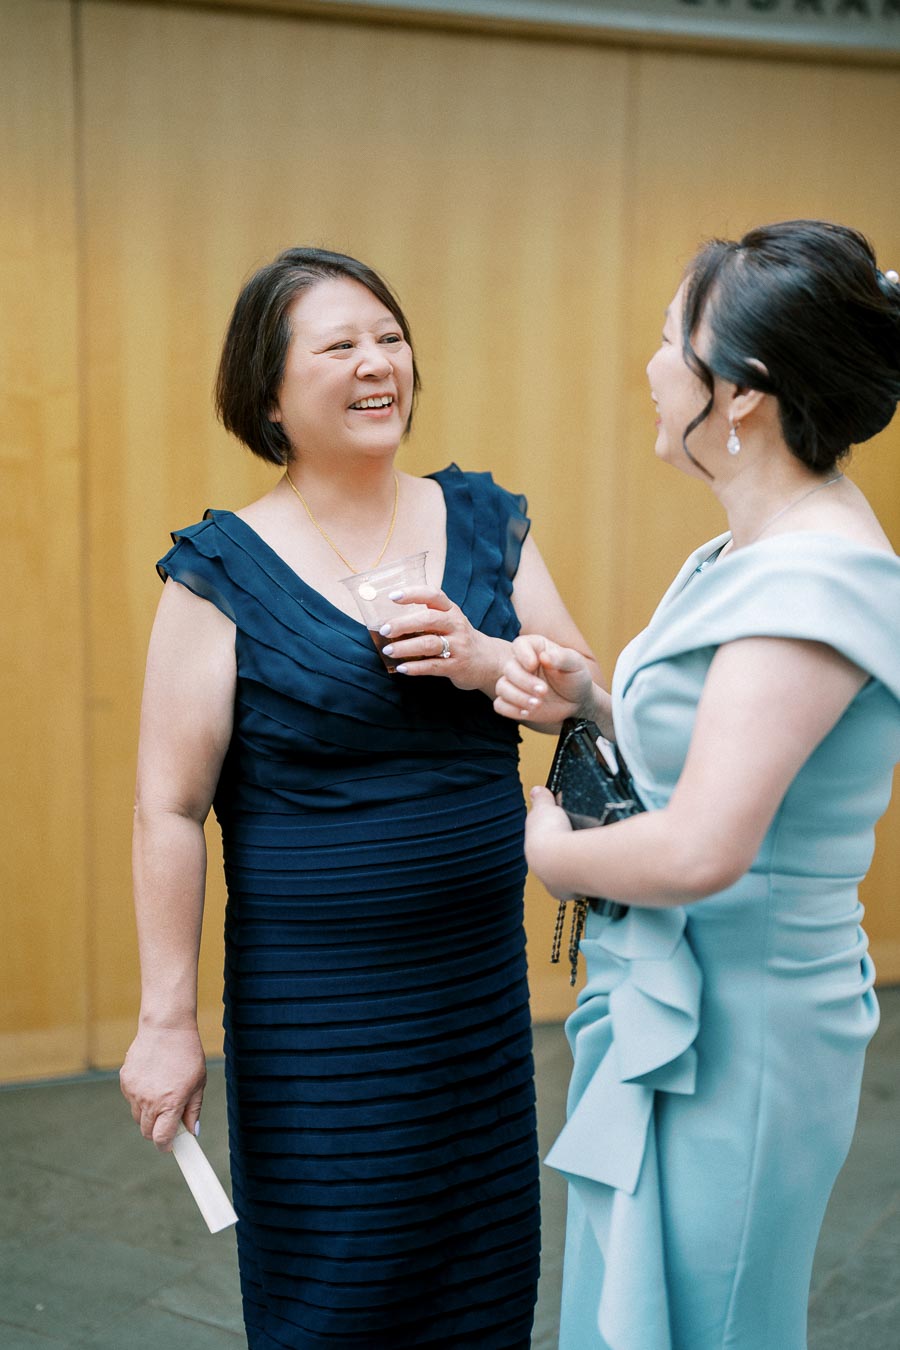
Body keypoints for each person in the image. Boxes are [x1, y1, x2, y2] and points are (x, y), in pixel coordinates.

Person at [119, 246, 601, 1348]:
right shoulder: (222, 569)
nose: (379, 362)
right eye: (340, 346)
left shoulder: (482, 521)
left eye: (389, 337)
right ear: (270, 394)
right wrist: (164, 1021)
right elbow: (166, 807)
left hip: (475, 998)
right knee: (337, 1289)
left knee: (479, 1284)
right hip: (318, 1011)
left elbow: (580, 701)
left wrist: (487, 661)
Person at [494, 220, 900, 1350]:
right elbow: (729, 753)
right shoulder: (753, 550)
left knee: (711, 1323)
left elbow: (701, 849)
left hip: (746, 1027)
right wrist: (596, 702)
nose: (651, 364)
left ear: (744, 397)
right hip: (693, 994)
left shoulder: (813, 581)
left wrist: (549, 852)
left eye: (673, 339)